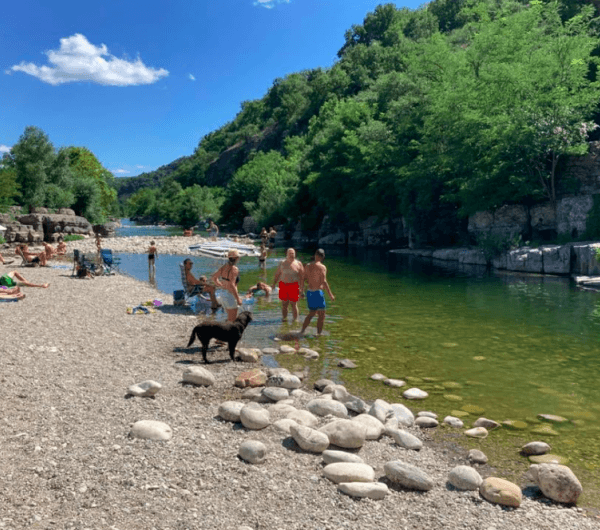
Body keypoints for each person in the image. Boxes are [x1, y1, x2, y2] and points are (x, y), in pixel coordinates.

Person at [300, 249, 335, 336]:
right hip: (318, 293)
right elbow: (324, 281)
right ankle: (318, 334)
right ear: (322, 257)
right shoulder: (322, 267)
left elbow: (303, 279)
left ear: (315, 255)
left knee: (311, 313)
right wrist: (330, 294)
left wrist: (301, 291)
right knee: (322, 315)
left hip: (309, 292)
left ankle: (302, 331)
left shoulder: (308, 265)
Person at [271, 248, 304, 322]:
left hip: (294, 286)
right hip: (283, 285)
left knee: (294, 304)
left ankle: (295, 320)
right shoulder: (282, 263)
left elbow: (302, 277)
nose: (292, 255)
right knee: (284, 305)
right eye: (290, 253)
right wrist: (274, 283)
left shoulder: (298, 263)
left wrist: (302, 289)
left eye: (293, 253)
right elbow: (277, 274)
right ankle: (284, 320)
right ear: (287, 254)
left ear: (295, 254)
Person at [211, 249, 243, 322]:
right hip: (230, 295)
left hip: (222, 294)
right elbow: (232, 285)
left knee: (229, 319)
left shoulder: (224, 266)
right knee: (233, 321)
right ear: (236, 258)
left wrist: (221, 285)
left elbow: (214, 278)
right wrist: (238, 298)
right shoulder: (234, 269)